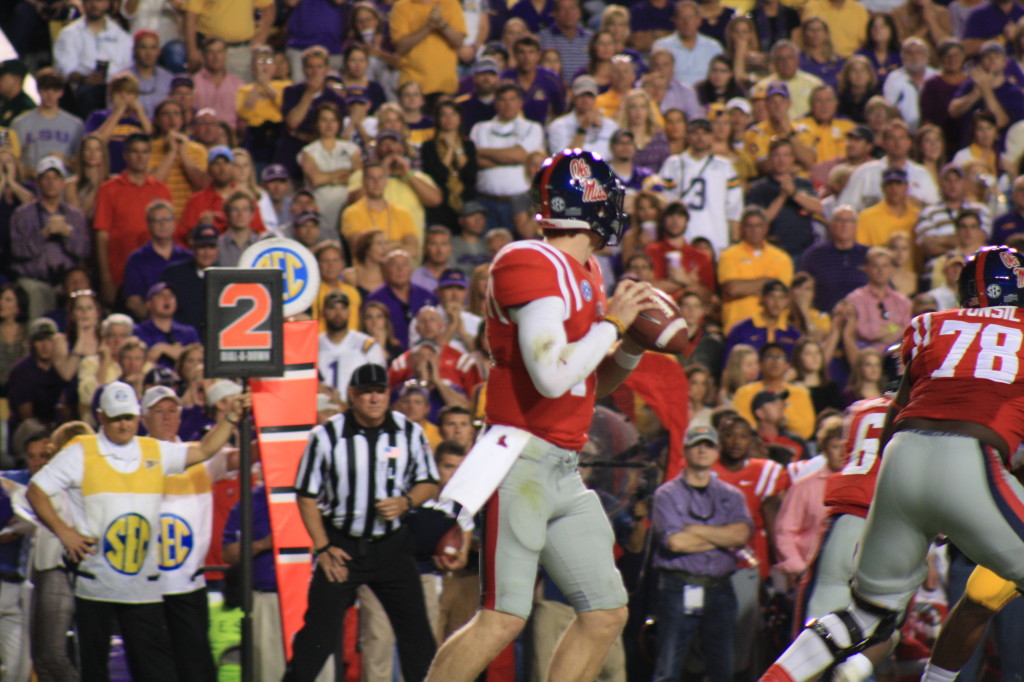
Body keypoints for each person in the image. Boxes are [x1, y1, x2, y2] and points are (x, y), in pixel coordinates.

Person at [425, 150, 653, 682]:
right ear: (588, 202)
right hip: (520, 457)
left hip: (564, 466)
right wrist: (612, 327)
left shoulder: (589, 272)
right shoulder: (528, 259)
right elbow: (550, 374)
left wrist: (632, 345)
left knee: (605, 612)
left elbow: (583, 384)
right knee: (503, 616)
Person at [760, 246, 1024, 682]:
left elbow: (895, 414)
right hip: (970, 457)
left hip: (901, 459)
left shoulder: (926, 325)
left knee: (867, 616)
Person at [26, 381, 247, 681]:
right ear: (102, 417)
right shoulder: (80, 451)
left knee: (153, 669)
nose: (124, 424)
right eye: (117, 418)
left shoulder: (152, 449)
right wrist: (65, 532)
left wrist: (232, 418)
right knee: (95, 669)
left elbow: (205, 449)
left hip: (143, 584)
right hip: (96, 581)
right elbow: (36, 490)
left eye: (128, 417)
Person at [285, 363, 439, 680]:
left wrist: (406, 501)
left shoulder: (409, 431)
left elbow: (429, 482)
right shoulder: (326, 436)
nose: (373, 398)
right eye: (366, 392)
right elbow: (305, 495)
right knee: (317, 637)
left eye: (380, 391)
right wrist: (323, 547)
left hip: (392, 547)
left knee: (418, 638)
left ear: (388, 393)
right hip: (342, 547)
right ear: (352, 395)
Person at [650, 425, 753, 682]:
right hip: (677, 587)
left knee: (723, 669)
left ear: (717, 451)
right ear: (685, 450)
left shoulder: (732, 495)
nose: (703, 449)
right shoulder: (666, 494)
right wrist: (721, 537)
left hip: (720, 590)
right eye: (697, 444)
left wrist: (695, 529)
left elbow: (741, 535)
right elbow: (675, 543)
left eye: (709, 445)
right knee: (668, 668)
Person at [10, 157, 90, 319]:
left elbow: (83, 251)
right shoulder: (23, 214)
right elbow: (18, 251)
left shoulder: (75, 215)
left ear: (63, 183)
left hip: (65, 281)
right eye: (46, 178)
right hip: (34, 281)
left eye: (56, 178)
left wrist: (68, 234)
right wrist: (44, 234)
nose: (51, 182)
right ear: (38, 183)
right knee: (36, 301)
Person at [658, 118, 743, 256]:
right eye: (695, 133)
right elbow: (665, 203)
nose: (700, 137)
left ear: (712, 137)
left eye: (705, 133)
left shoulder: (725, 167)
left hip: (716, 235)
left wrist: (734, 240)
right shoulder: (673, 164)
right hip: (681, 235)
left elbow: (734, 209)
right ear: (687, 136)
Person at [718, 205, 794, 334]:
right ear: (742, 228)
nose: (754, 230)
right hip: (736, 330)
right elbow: (732, 289)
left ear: (766, 228)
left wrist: (746, 287)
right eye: (749, 226)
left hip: (773, 331)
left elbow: (781, 293)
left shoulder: (782, 258)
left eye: (758, 225)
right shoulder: (728, 255)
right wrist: (768, 280)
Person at [53, 0, 133, 118]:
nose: (94, 5)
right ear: (84, 4)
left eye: (99, 1)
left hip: (114, 88)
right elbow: (64, 67)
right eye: (90, 1)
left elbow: (127, 66)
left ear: (107, 4)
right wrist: (84, 78)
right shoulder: (68, 33)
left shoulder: (122, 37)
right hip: (80, 87)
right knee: (89, 92)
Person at [746, 138, 823, 260]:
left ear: (793, 159)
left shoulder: (803, 184)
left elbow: (818, 207)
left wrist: (794, 193)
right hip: (772, 252)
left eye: (786, 155)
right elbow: (759, 222)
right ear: (770, 158)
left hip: (804, 251)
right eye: (777, 155)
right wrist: (782, 196)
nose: (781, 160)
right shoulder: (759, 188)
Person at [122, 200, 193, 320]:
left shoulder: (188, 257)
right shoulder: (137, 259)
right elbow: (133, 300)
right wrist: (157, 324)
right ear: (149, 225)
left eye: (167, 219)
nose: (162, 224)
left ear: (174, 223)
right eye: (157, 220)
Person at [733, 342, 817, 440]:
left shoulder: (800, 393)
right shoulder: (744, 392)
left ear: (787, 365)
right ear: (760, 364)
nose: (775, 362)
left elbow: (806, 431)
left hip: (792, 444)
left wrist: (785, 420)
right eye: (769, 357)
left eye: (780, 358)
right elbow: (744, 425)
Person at [840, 247, 913, 356]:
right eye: (875, 266)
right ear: (867, 269)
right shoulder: (855, 299)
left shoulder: (903, 302)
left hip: (896, 355)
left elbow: (907, 331)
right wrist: (893, 329)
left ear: (892, 269)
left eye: (885, 266)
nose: (880, 271)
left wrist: (884, 331)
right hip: (865, 356)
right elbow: (863, 331)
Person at [318, 290, 387, 403]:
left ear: (349, 312)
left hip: (357, 410)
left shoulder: (366, 344)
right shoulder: (313, 345)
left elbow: (378, 384)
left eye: (343, 308)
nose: (338, 313)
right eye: (332, 308)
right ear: (323, 312)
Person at [10, 69, 84, 174]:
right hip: (30, 184)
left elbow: (82, 163)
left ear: (61, 92)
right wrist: (33, 173)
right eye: (46, 90)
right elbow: (12, 161)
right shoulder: (20, 123)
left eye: (55, 90)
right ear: (38, 90)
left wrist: (66, 162)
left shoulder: (76, 125)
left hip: (64, 185)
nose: (50, 95)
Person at [159, 224, 219, 331]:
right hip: (182, 338)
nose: (207, 253)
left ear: (218, 249)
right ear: (192, 247)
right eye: (202, 247)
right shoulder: (174, 274)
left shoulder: (223, 276)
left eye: (211, 247)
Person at [725, 279, 802, 359]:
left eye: (781, 297)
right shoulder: (741, 330)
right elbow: (729, 365)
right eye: (772, 296)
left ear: (787, 301)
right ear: (762, 298)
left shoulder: (793, 335)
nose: (776, 303)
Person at [652, 0, 723, 86]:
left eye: (691, 18)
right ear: (675, 20)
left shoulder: (713, 47)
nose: (687, 23)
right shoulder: (661, 46)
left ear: (699, 20)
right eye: (682, 18)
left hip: (706, 95)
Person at [856, 166, 922, 247]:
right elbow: (862, 249)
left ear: (906, 187)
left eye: (898, 183)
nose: (894, 188)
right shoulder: (866, 217)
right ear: (882, 188)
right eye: (889, 184)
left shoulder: (918, 216)